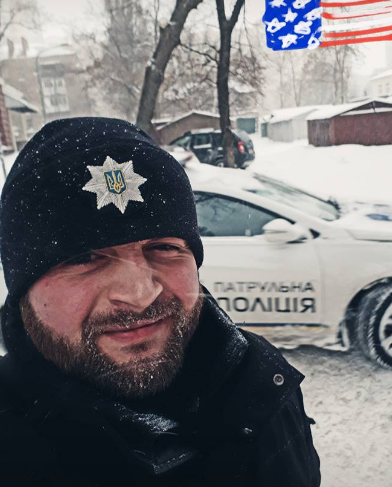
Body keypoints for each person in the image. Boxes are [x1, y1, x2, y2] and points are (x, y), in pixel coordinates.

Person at [0, 117, 320, 487]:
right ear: (24, 290)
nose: (140, 294)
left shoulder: (263, 383)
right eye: (84, 258)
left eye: (164, 247)